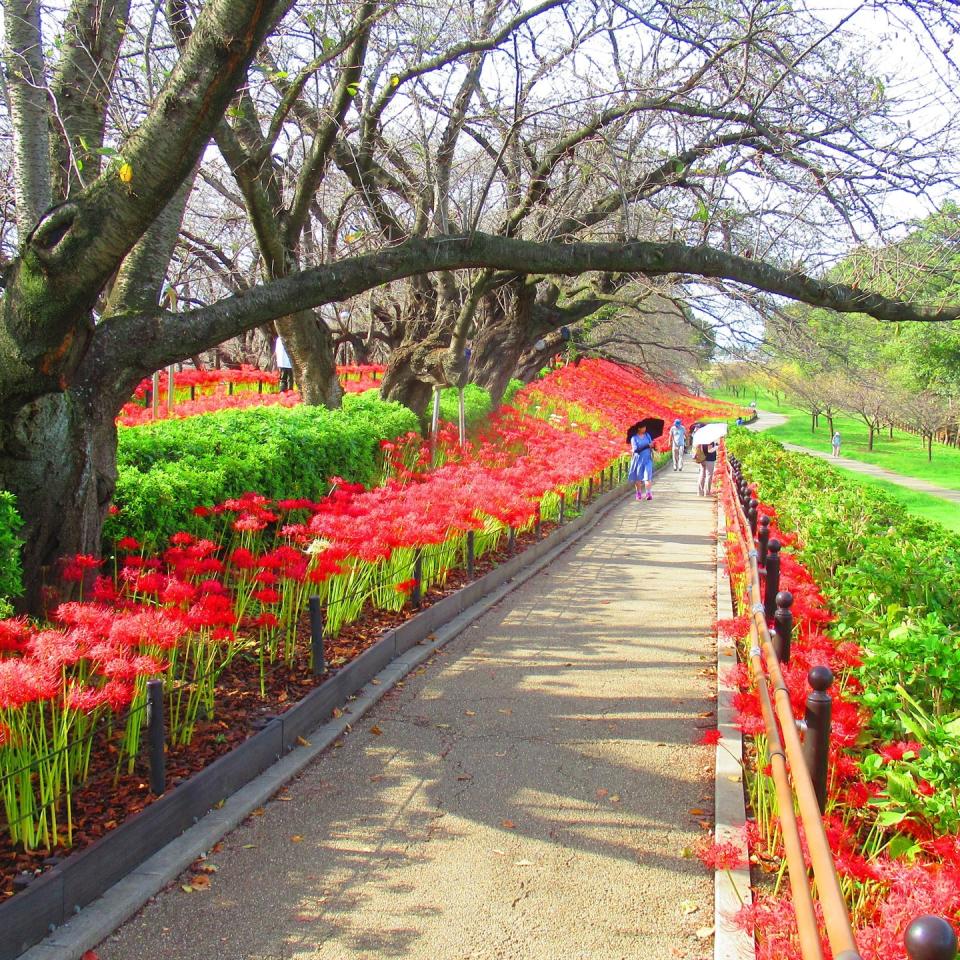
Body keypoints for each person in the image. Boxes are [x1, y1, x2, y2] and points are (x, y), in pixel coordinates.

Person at [627, 423, 655, 501]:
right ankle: (638, 493)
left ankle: (648, 493)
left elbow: (651, 444)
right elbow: (636, 449)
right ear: (639, 428)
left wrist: (653, 445)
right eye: (643, 427)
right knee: (638, 478)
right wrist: (647, 446)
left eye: (645, 427)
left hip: (647, 459)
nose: (645, 428)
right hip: (638, 460)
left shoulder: (647, 435)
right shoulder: (634, 438)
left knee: (647, 477)